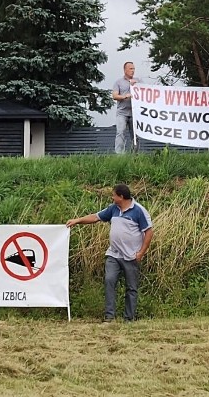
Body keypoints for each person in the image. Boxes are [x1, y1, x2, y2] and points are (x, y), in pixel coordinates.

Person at [66, 183, 154, 322]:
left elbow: (149, 232)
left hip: (131, 256)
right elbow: (96, 217)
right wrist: (77, 220)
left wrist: (141, 253)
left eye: (114, 195)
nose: (112, 197)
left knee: (131, 287)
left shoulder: (138, 211)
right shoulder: (113, 209)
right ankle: (109, 317)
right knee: (109, 280)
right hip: (113, 254)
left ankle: (128, 319)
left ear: (121, 196)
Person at [112, 62, 138, 154]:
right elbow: (114, 96)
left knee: (135, 136)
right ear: (125, 70)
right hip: (122, 113)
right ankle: (119, 155)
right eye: (131, 69)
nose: (133, 71)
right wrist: (124, 96)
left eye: (133, 69)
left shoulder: (138, 81)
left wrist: (137, 85)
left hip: (134, 113)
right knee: (121, 132)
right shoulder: (118, 82)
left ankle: (134, 155)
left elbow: (145, 94)